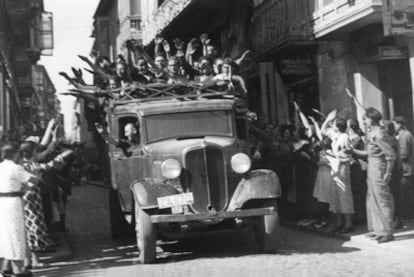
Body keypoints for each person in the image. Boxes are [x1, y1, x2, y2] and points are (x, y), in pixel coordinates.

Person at [352, 108, 396, 243]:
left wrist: (388, 172)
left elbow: (391, 155)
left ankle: (387, 231)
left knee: (382, 199)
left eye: (365, 118)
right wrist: (353, 150)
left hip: (379, 169)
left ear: (372, 119)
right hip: (372, 167)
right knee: (372, 199)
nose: (364, 121)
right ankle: (377, 230)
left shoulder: (380, 134)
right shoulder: (372, 133)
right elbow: (369, 153)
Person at [0, 143, 35, 277]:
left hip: (1, 203)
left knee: (4, 235)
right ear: (15, 154)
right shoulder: (16, 168)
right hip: (13, 203)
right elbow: (32, 181)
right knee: (16, 235)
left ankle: (5, 268)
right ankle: (18, 269)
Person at [328, 118, 354, 233]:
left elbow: (345, 154)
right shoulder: (336, 136)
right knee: (336, 195)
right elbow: (324, 130)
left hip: (342, 166)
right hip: (335, 166)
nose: (332, 126)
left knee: (344, 194)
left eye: (333, 124)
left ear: (338, 126)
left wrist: (334, 156)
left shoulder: (344, 137)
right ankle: (339, 221)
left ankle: (348, 223)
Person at [392, 116, 414, 220]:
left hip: (406, 169)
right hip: (405, 169)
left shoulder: (405, 136)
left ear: (399, 124)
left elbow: (404, 154)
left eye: (395, 124)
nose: (394, 126)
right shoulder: (403, 135)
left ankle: (409, 214)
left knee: (406, 193)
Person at [347, 119, 367, 224]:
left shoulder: (356, 138)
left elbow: (350, 151)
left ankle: (360, 215)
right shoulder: (351, 137)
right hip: (352, 167)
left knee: (357, 191)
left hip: (356, 167)